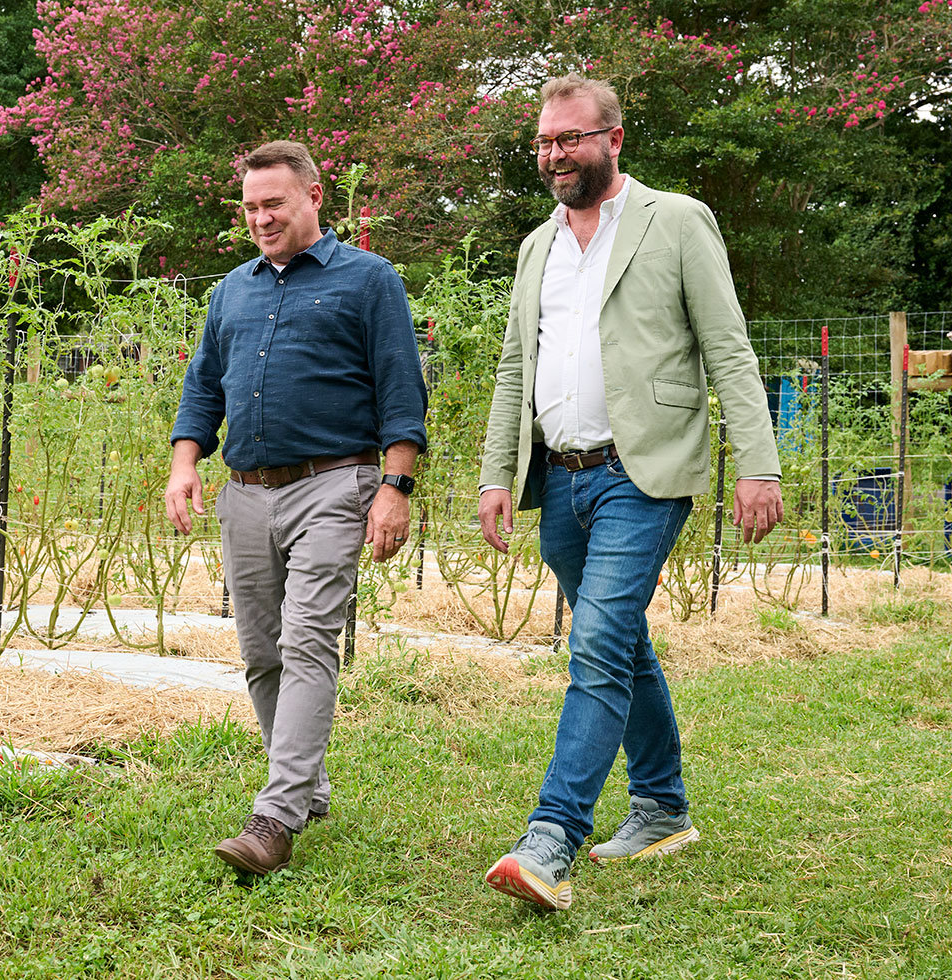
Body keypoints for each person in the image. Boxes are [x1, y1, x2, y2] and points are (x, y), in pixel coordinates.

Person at [476, 75, 784, 911]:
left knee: (597, 646)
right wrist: (497, 472)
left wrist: (760, 464)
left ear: (614, 139)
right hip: (562, 480)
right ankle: (662, 808)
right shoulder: (537, 246)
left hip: (640, 475)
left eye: (570, 138)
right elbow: (516, 368)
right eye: (543, 142)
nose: (553, 155)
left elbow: (729, 347)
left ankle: (549, 841)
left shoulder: (674, 221)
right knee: (620, 645)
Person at [165, 140, 427, 875]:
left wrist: (394, 488)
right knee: (260, 652)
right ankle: (306, 787)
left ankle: (275, 817)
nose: (261, 218)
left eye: (273, 203)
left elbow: (402, 393)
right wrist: (186, 464)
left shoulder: (369, 281)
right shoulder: (232, 291)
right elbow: (202, 390)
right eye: (249, 207)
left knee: (309, 639)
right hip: (246, 492)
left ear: (315, 194)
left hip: (333, 485)